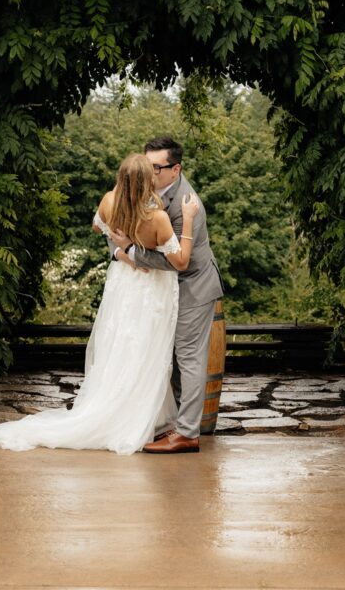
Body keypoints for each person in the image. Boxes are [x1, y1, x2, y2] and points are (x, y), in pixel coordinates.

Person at [0, 153, 199, 453]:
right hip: (151, 291)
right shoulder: (158, 218)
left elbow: (97, 226)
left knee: (119, 348)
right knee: (145, 351)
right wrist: (187, 220)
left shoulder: (109, 201)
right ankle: (139, 418)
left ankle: (128, 410)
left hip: (123, 285)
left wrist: (122, 248)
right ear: (149, 180)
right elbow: (181, 261)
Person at [110, 136, 224, 454]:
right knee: (156, 354)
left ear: (176, 170)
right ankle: (164, 424)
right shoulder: (142, 188)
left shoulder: (187, 205)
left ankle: (187, 433)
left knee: (188, 357)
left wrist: (130, 251)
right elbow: (114, 223)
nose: (149, 173)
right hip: (158, 288)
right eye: (146, 166)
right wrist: (118, 251)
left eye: (156, 168)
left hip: (191, 285)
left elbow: (176, 261)